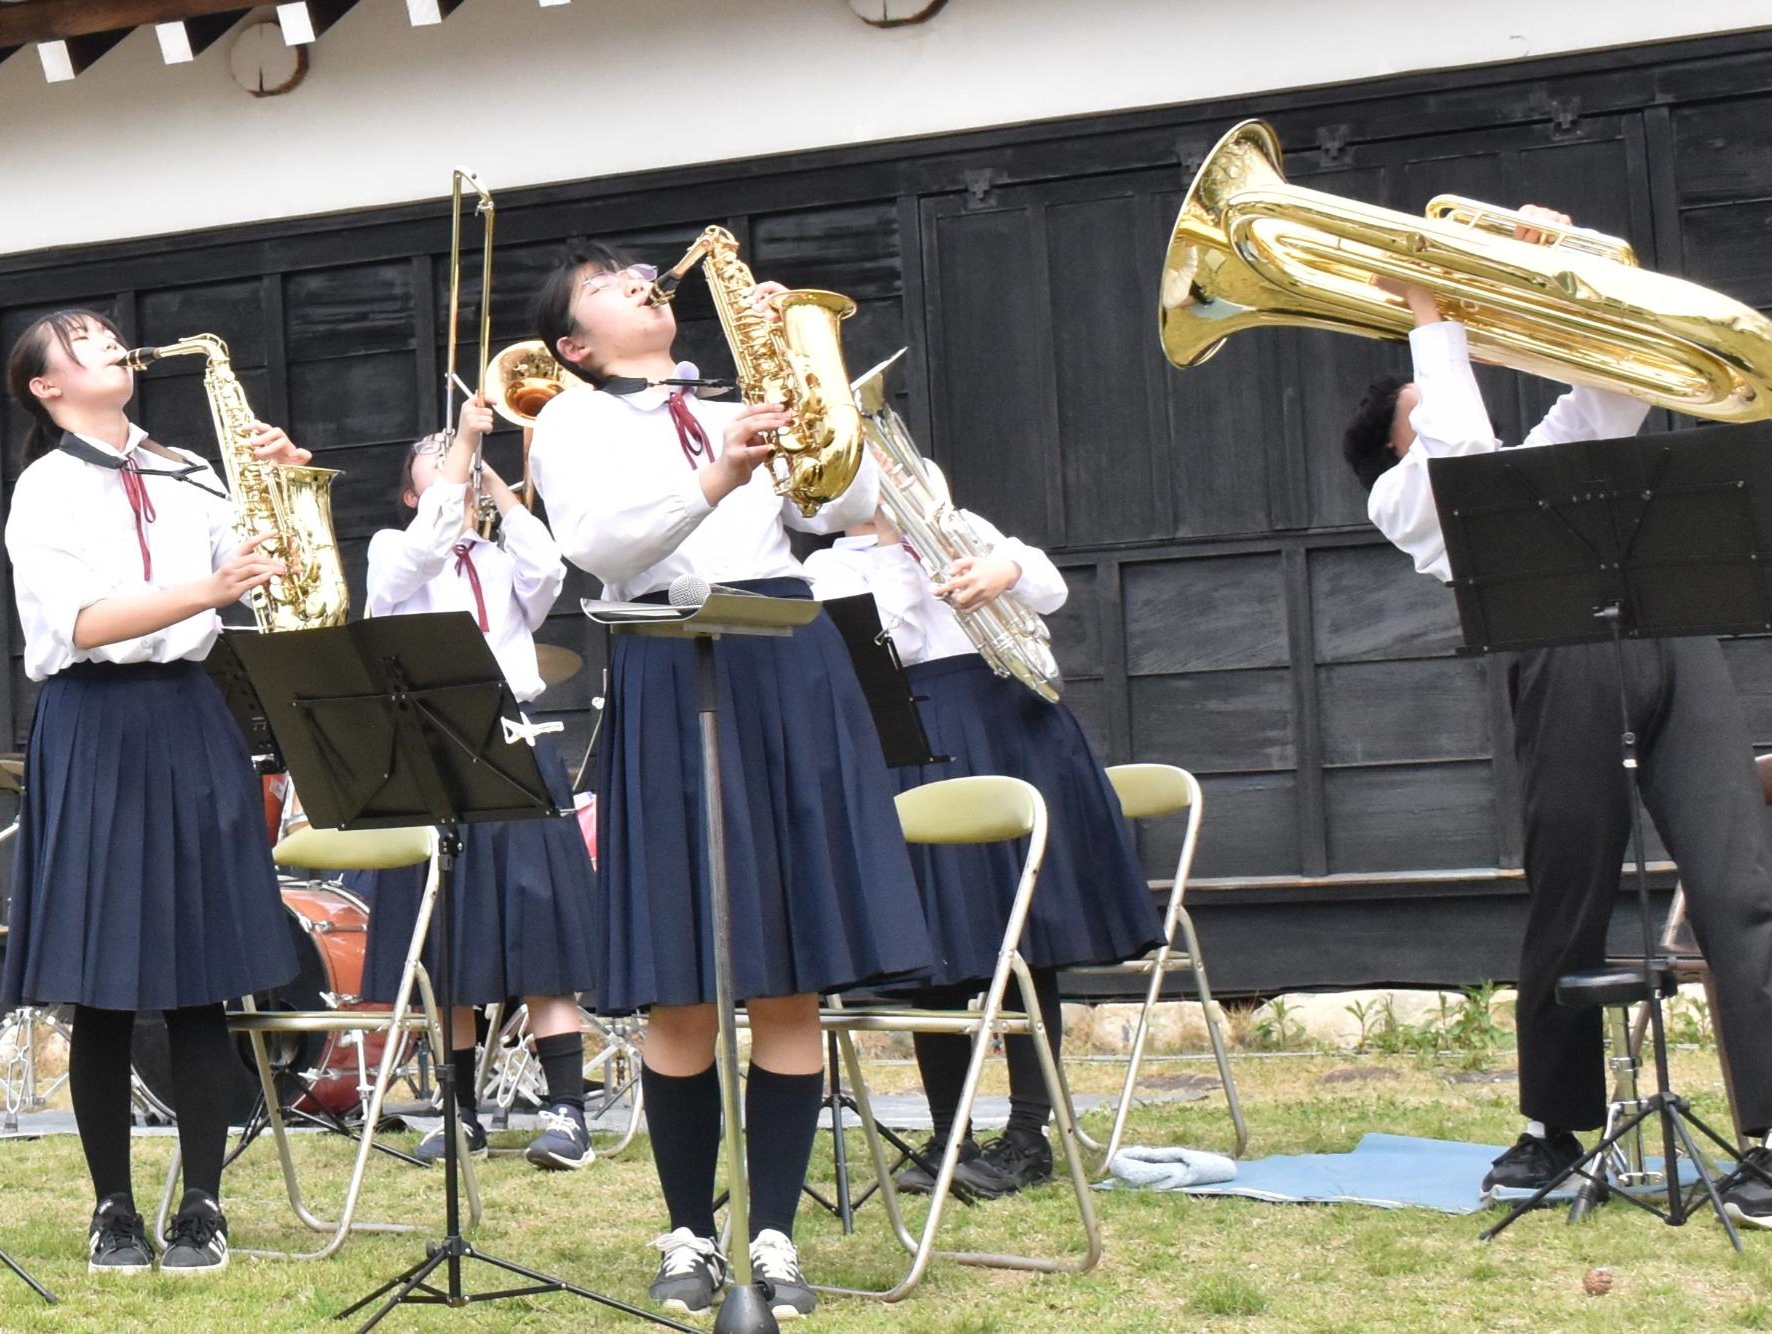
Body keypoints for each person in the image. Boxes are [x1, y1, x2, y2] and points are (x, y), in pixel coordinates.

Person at [1344, 207, 1772, 1225]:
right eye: (1419, 396)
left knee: (1734, 872)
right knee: (1567, 882)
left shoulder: (1537, 453)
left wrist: (1560, 265)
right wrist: (1432, 316)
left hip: (1668, 630)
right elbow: (1462, 447)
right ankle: (1552, 1125)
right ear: (1393, 441)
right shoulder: (1399, 498)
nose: (1439, 389)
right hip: (1554, 652)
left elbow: (1612, 391)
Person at [529, 244, 935, 1318]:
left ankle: (773, 1234)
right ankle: (686, 1230)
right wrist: (720, 469)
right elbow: (605, 550)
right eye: (614, 287)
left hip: (786, 654)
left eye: (643, 278)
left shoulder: (728, 396)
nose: (642, 288)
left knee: (789, 967)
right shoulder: (568, 420)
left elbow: (839, 504)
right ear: (577, 342)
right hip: (673, 654)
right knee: (683, 977)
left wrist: (810, 375)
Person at [1, 309, 307, 1274]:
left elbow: (271, 573)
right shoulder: (43, 488)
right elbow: (85, 622)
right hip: (95, 720)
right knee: (101, 988)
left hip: (189, 711)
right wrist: (210, 590)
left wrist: (287, 486)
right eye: (81, 338)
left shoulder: (187, 468)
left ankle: (206, 1206)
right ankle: (113, 1211)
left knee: (199, 980)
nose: (109, 342)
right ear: (46, 386)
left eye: (107, 331)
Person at [805, 506, 1161, 1200]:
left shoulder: (955, 521)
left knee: (1028, 941)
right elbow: (896, 640)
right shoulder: (827, 565)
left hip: (1009, 719)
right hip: (915, 731)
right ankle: (949, 1133)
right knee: (931, 947)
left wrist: (1005, 568)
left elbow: (1050, 590)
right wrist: (890, 551)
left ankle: (1029, 1137)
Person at [345, 394, 601, 1170]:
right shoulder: (394, 550)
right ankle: (458, 1113)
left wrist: (495, 481)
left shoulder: (500, 558)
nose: (462, 488)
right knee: (447, 940)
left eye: (468, 479)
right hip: (433, 750)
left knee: (541, 924)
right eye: (443, 478)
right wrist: (460, 456)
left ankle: (567, 1110)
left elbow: (548, 568)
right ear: (414, 496)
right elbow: (421, 550)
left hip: (515, 740)